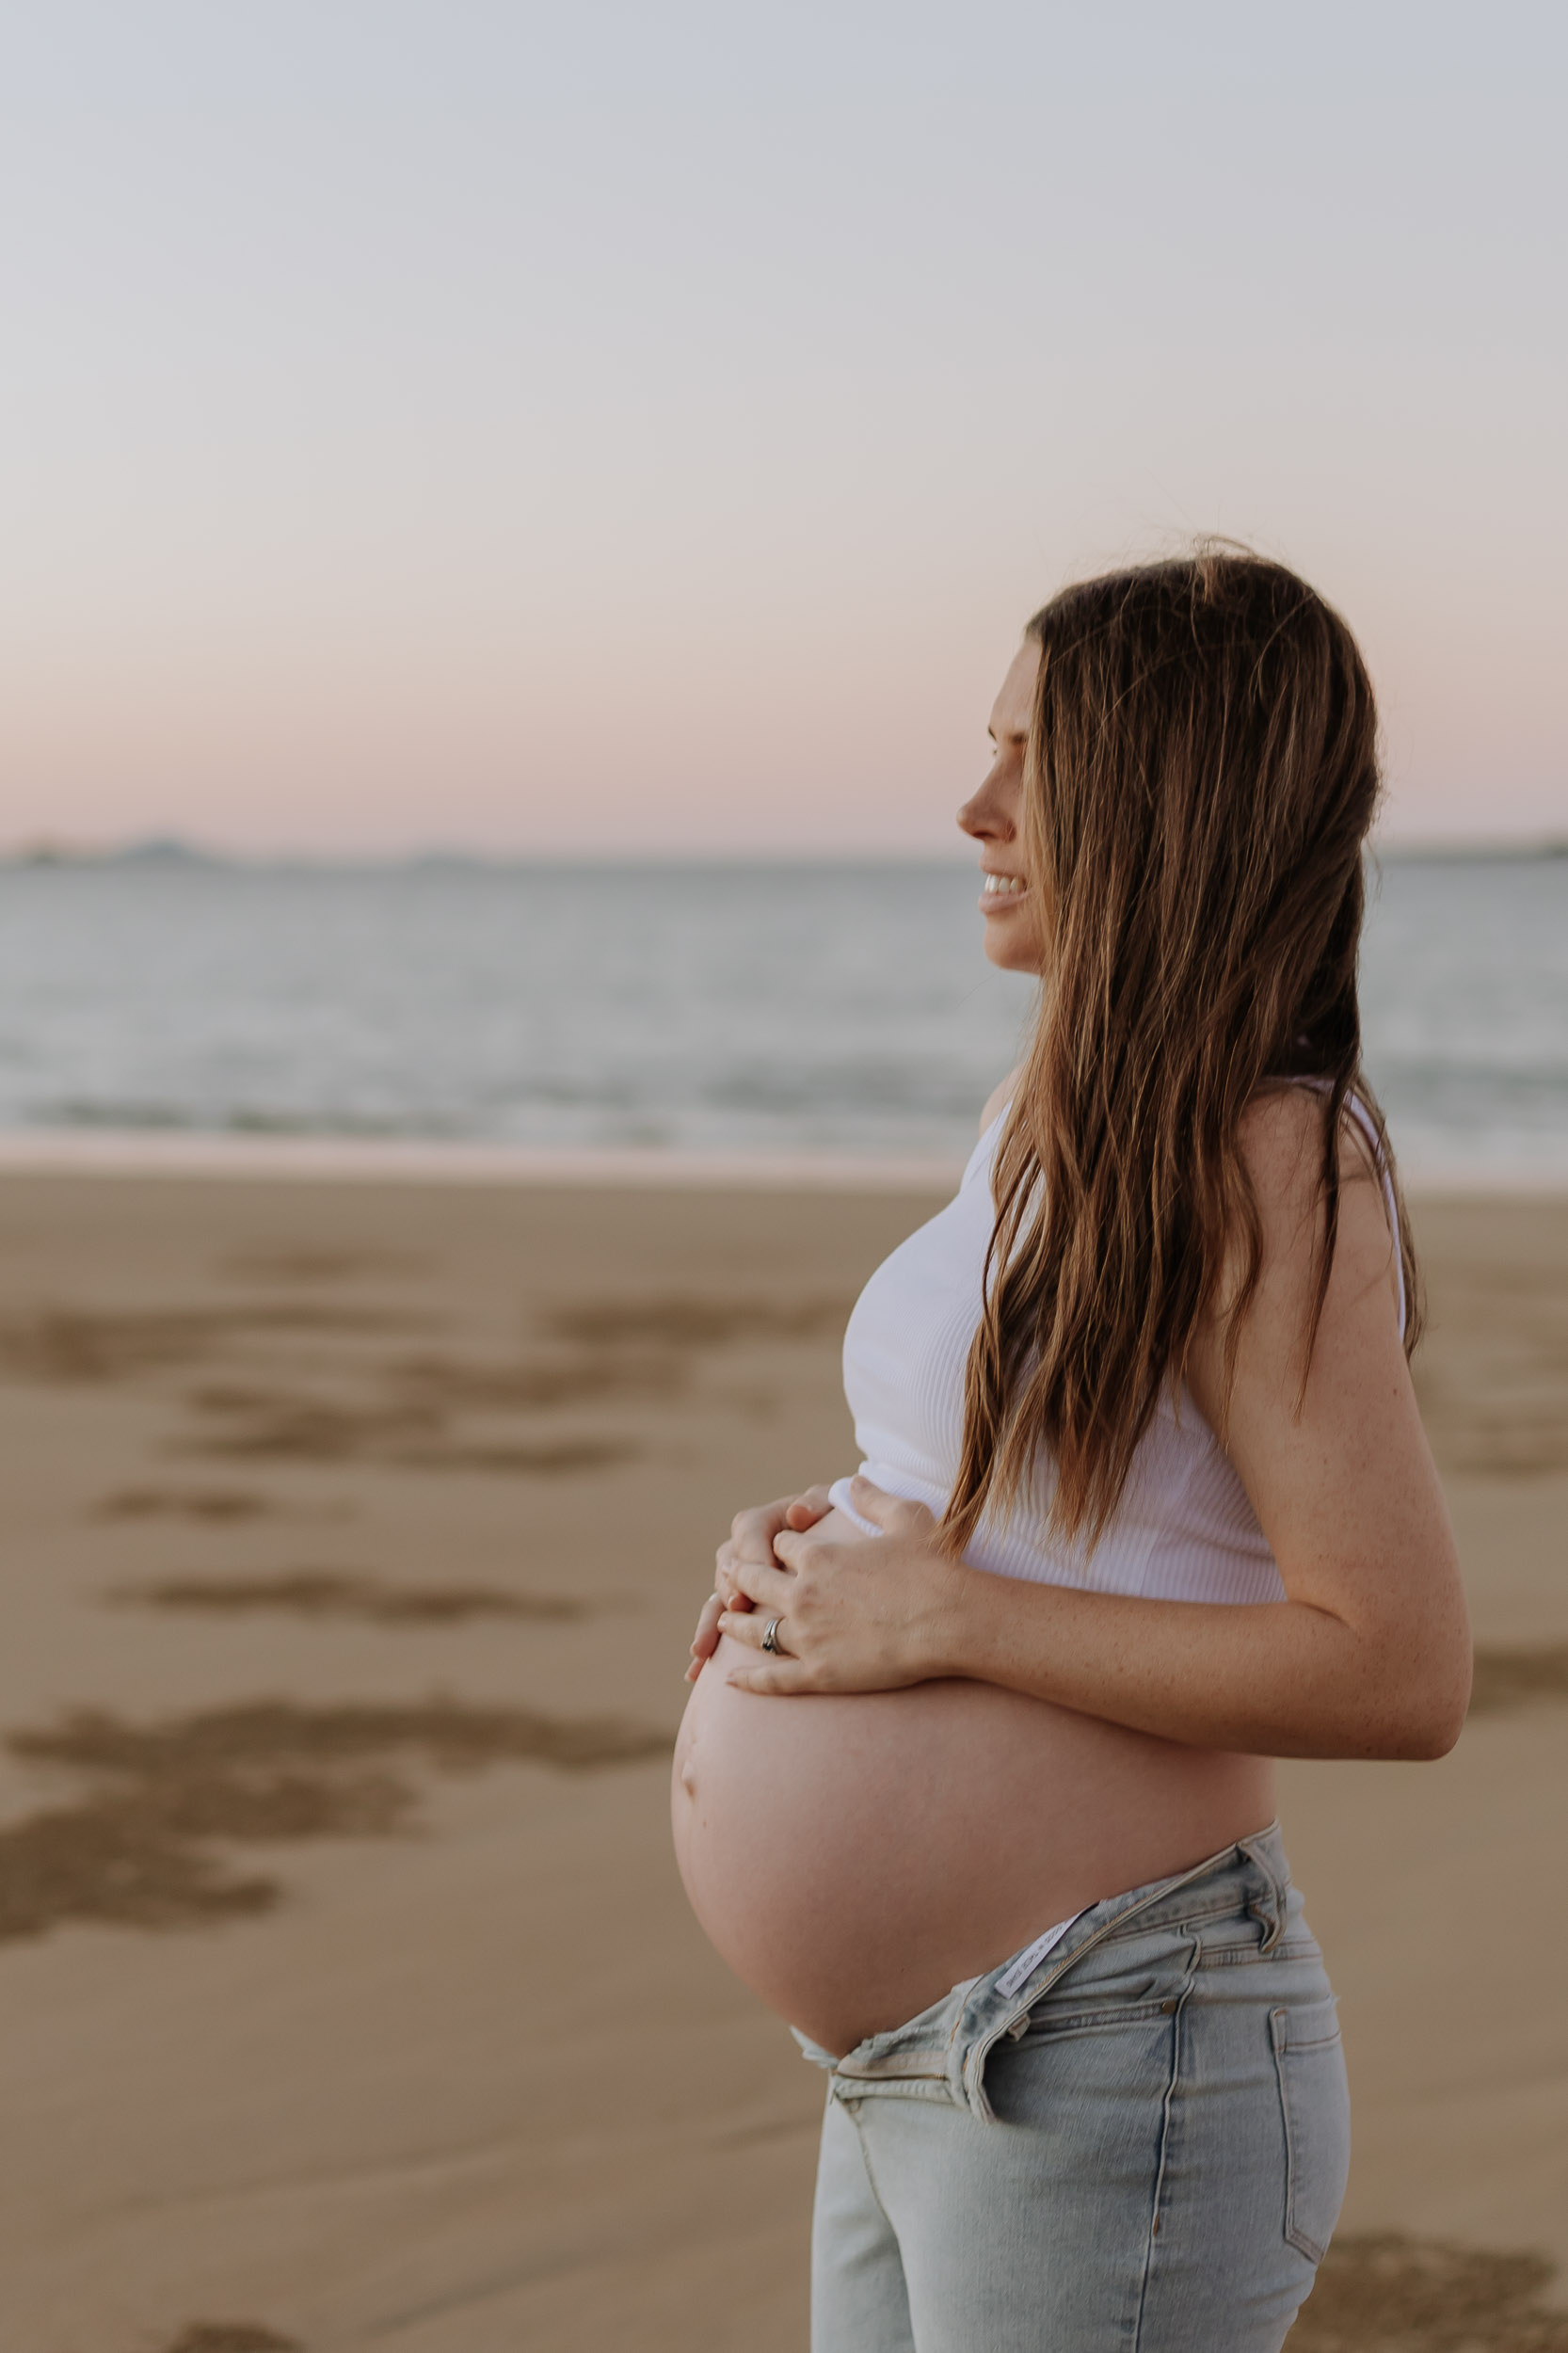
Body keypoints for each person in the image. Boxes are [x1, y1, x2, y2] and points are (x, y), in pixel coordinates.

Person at [672, 549, 1471, 2353]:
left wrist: (938, 1623)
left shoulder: (1271, 1152)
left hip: (1103, 2045)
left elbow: (1396, 1666)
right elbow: (1020, 1494)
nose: (976, 808)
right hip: (906, 2057)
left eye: (1031, 755)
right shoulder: (1049, 1111)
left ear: (1162, 791)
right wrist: (807, 1545)